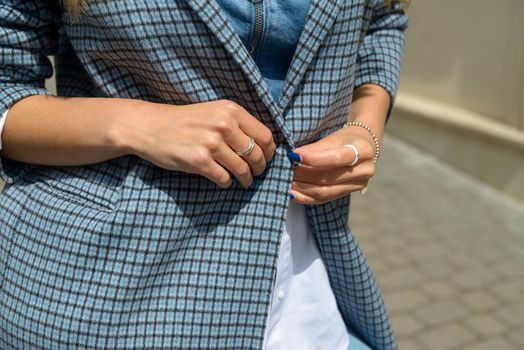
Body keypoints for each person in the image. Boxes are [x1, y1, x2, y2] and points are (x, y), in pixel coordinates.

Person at [0, 0, 409, 349]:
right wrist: (135, 124)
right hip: (108, 290)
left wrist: (365, 127)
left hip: (312, 288)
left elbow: (382, 19)